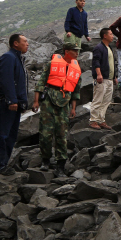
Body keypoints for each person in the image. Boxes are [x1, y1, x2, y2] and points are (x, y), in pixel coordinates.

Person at [32, 43, 82, 177]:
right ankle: (45, 160)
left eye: (78, 51)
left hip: (64, 103)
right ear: (66, 51)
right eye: (74, 51)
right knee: (45, 133)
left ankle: (61, 165)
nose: (77, 53)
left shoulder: (76, 69)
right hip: (48, 101)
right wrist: (36, 101)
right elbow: (41, 83)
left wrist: (73, 108)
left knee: (62, 134)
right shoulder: (51, 64)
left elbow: (76, 91)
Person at [0, 34, 29, 176]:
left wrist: (22, 103)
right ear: (15, 44)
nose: (27, 44)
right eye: (25, 41)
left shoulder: (18, 59)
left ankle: (3, 164)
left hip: (14, 104)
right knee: (2, 134)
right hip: (5, 103)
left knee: (11, 136)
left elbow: (19, 84)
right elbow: (6, 80)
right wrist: (12, 100)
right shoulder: (9, 57)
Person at [89, 28, 117, 130]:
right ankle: (93, 120)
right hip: (102, 78)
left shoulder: (109, 48)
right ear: (104, 36)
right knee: (98, 99)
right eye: (110, 34)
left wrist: (114, 77)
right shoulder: (99, 47)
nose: (112, 36)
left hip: (109, 79)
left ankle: (101, 120)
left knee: (106, 101)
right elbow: (96, 61)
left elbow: (111, 63)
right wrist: (98, 74)